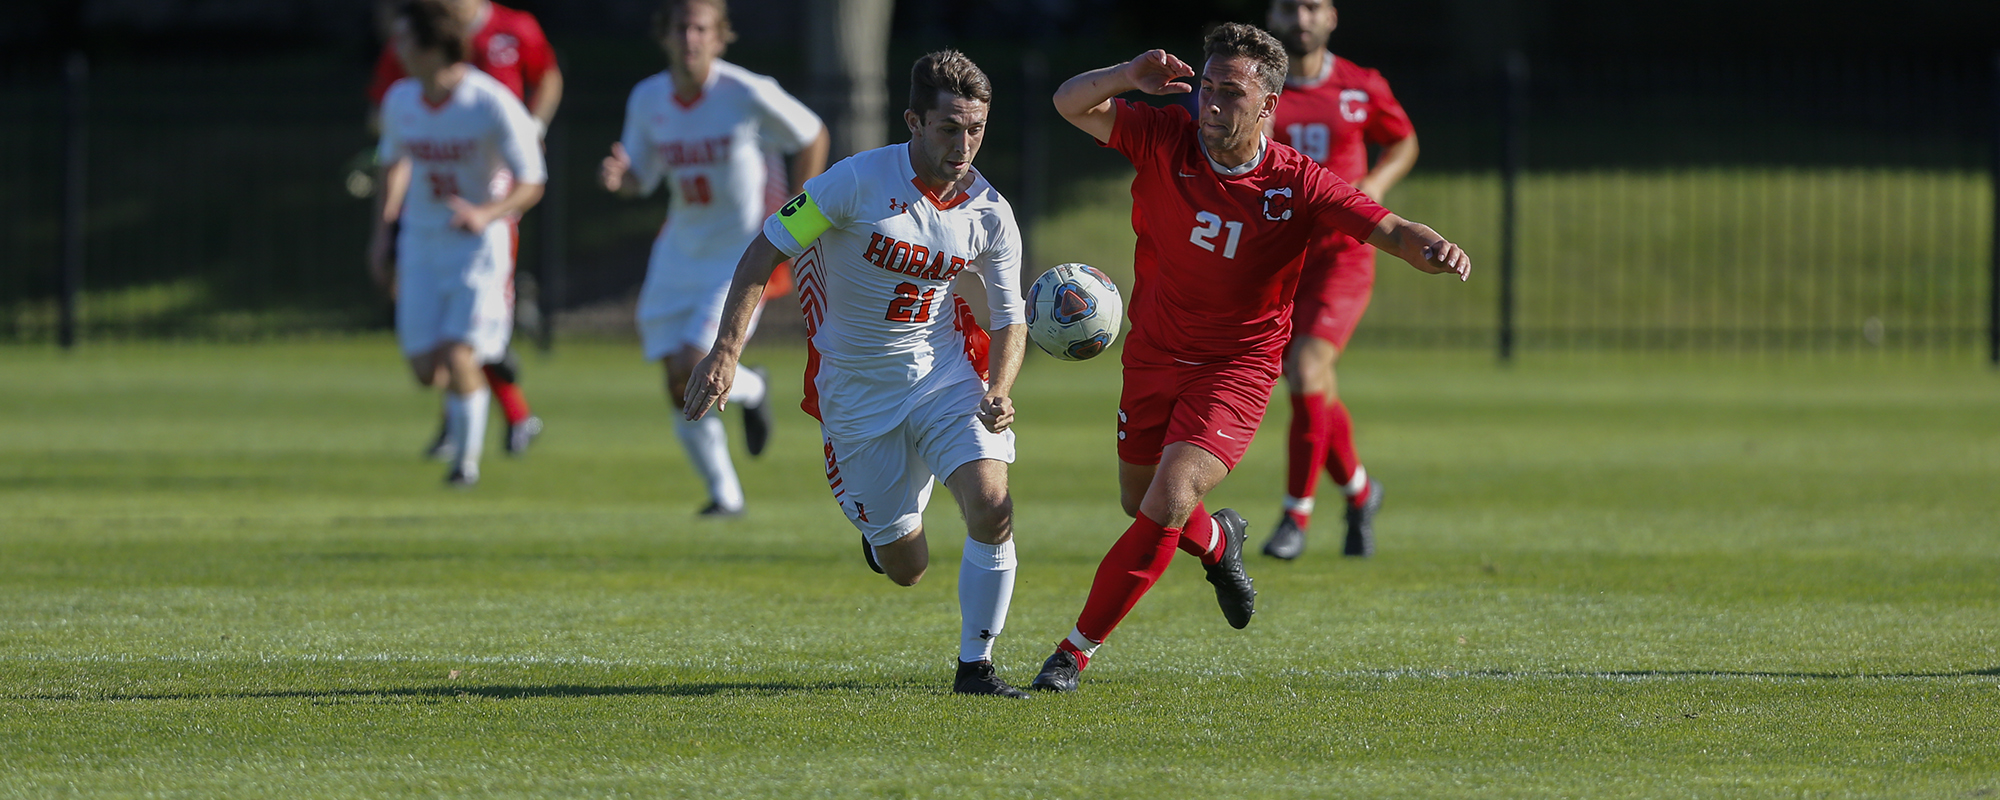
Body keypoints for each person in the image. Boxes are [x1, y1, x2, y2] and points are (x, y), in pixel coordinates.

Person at [1030, 24, 1470, 692]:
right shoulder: (1162, 138)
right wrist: (1128, 73)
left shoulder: (1296, 181)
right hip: (1151, 359)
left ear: (1267, 105)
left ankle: (1073, 652)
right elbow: (1068, 102)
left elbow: (1382, 226)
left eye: (1230, 92)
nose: (1210, 102)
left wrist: (1428, 246)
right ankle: (1218, 543)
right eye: (1206, 86)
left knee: (1172, 494)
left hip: (1236, 369)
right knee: (1140, 503)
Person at [682, 51, 1034, 698]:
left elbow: (1012, 318)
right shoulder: (852, 183)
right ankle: (886, 532)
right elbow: (766, 248)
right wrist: (726, 350)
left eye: (976, 130)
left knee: (992, 507)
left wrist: (1000, 390)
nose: (964, 146)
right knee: (908, 567)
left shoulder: (990, 212)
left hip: (944, 376)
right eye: (949, 129)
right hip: (857, 395)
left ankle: (976, 669)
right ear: (913, 122)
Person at [598, 0, 829, 517]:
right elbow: (645, 175)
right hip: (679, 249)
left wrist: (800, 213)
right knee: (675, 379)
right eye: (679, 27)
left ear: (720, 37)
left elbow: (812, 133)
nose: (689, 38)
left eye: (700, 28)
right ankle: (727, 490)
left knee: (691, 360)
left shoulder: (746, 92)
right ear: (664, 35)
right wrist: (623, 178)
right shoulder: (648, 97)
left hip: (737, 257)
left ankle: (749, 388)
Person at [368, 0, 560, 459]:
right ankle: (491, 355)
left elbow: (547, 81)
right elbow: (391, 154)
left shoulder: (493, 88)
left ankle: (465, 460)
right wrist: (384, 229)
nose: (397, 49)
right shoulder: (403, 95)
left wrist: (489, 209)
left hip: (482, 230)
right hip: (421, 237)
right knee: (429, 367)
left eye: (406, 41)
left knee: (460, 352)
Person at [1262, 0, 1420, 560]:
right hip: (1278, 260)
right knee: (1314, 388)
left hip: (1343, 256)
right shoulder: (1257, 91)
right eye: (1288, 7)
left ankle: (1294, 518)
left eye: (1311, 6)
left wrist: (1375, 184)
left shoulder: (1361, 85)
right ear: (1272, 18)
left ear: (1331, 17)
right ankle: (1359, 491)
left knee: (1306, 370)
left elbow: (1403, 141)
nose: (1300, 18)